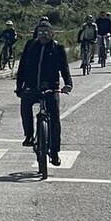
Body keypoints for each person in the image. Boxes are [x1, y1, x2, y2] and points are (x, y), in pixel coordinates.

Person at [16, 18, 73, 165]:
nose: (43, 35)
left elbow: (64, 68)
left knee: (54, 119)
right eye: (40, 32)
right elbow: (22, 67)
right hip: (31, 86)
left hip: (51, 88)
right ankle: (29, 135)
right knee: (25, 106)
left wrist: (68, 84)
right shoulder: (30, 46)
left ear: (52, 34)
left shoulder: (57, 48)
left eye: (46, 32)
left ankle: (54, 152)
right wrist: (19, 86)